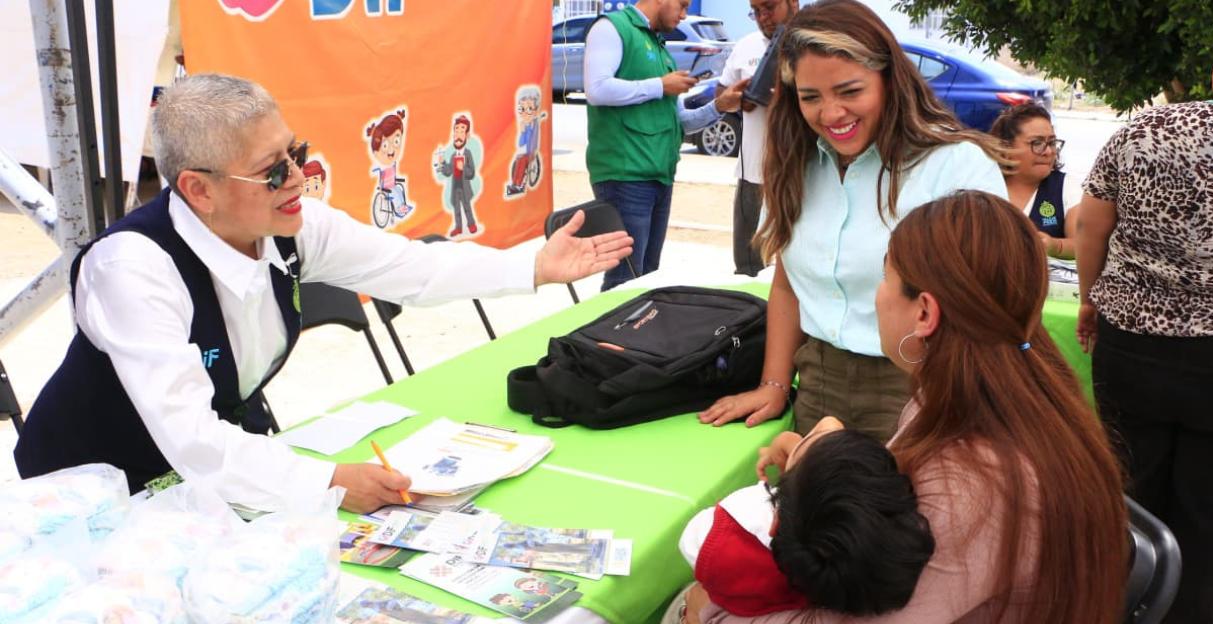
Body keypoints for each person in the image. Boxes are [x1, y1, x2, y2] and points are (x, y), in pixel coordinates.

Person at [12, 73, 633, 515]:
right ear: (199, 190)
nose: (299, 178)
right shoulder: (132, 270)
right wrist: (330, 481)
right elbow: (193, 439)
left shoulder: (294, 225)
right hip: (92, 492)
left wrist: (531, 268)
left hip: (212, 477)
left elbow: (411, 270)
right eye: (273, 169)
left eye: (297, 153)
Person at [689, 190, 1129, 623]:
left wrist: (712, 615)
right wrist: (818, 463)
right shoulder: (1014, 399)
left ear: (924, 313)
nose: (878, 297)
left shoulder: (970, 478)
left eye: (885, 278)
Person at [698, 0, 1007, 440]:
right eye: (811, 97)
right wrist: (773, 384)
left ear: (888, 79)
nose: (831, 114)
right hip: (819, 381)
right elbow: (788, 284)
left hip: (923, 384)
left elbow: (990, 305)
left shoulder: (956, 167)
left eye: (849, 91)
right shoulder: (795, 164)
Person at [1075, 18, 1213, 623]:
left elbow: (1091, 226)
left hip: (1134, 351)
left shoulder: (1140, 130)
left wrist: (1093, 299)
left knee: (1130, 506)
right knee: (1211, 525)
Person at [668, 416, 932, 623]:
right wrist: (794, 451)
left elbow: (693, 541)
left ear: (774, 523)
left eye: (810, 440)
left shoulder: (733, 526)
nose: (830, 423)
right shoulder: (854, 572)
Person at [584, 0, 739, 291]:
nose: (684, 15)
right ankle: (610, 337)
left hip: (658, 176)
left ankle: (634, 337)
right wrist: (659, 85)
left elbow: (680, 122)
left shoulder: (658, 46)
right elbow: (596, 89)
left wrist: (721, 105)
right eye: (681, 5)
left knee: (646, 278)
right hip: (624, 175)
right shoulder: (612, 28)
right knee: (624, 280)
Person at [713, 0, 800, 276]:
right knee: (748, 264)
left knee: (800, 265)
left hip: (803, 173)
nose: (763, 18)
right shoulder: (745, 45)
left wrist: (779, 97)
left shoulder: (814, 41)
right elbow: (721, 96)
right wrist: (736, 99)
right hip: (752, 174)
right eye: (756, 11)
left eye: (769, 7)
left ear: (793, 3)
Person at [987, 103, 1077, 259]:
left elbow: (1083, 244)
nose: (1048, 152)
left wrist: (1055, 246)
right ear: (1006, 147)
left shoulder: (1066, 187)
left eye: (1052, 143)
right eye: (1037, 143)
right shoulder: (983, 186)